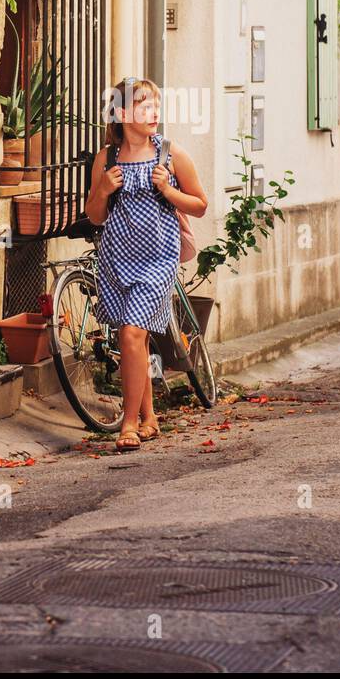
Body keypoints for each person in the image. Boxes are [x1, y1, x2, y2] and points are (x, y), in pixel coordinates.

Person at [84, 77, 208, 452]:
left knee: (131, 334)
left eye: (156, 105)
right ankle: (150, 416)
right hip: (117, 258)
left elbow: (200, 205)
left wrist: (169, 190)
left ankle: (130, 423)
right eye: (144, 106)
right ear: (122, 114)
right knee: (132, 338)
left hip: (158, 259)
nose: (153, 113)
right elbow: (94, 216)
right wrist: (103, 190)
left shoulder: (170, 155)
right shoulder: (106, 159)